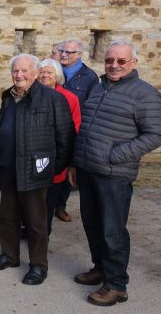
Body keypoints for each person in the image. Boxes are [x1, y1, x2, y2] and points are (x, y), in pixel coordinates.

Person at [71, 40, 161, 306]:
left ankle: (116, 284)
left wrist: (116, 155)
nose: (114, 65)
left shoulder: (144, 93)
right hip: (89, 169)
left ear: (133, 63)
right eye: (110, 60)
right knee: (93, 225)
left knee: (113, 231)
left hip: (114, 174)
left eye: (121, 61)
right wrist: (77, 163)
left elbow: (155, 134)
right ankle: (100, 268)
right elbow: (87, 128)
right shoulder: (99, 88)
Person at [0, 54, 74, 286]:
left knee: (36, 222)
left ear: (35, 73)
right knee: (7, 217)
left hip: (35, 170)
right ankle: (10, 255)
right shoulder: (8, 97)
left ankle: (38, 265)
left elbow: (65, 139)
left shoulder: (52, 99)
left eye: (24, 71)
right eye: (15, 71)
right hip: (7, 168)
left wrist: (51, 168)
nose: (19, 75)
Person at [54, 39, 99, 222]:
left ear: (79, 54)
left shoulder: (89, 77)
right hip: (50, 129)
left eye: (69, 52)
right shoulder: (52, 71)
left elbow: (91, 106)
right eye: (62, 51)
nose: (64, 55)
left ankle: (60, 205)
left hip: (74, 130)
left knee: (67, 170)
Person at [37, 58, 81, 235]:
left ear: (57, 76)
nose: (45, 75)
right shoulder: (30, 94)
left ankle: (43, 233)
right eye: (42, 72)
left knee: (49, 199)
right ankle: (29, 229)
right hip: (33, 157)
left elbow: (75, 128)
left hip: (57, 157)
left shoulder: (69, 98)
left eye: (49, 72)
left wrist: (67, 159)